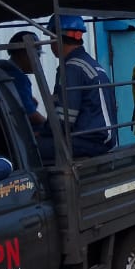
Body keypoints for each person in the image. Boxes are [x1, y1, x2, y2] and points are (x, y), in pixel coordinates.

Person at [36, 14, 118, 160]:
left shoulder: (71, 68)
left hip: (89, 141)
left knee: (30, 149)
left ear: (56, 38)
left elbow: (64, 119)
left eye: (50, 39)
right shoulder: (89, 63)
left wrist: (41, 132)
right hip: (104, 138)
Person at [0, 30, 46, 127]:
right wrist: (49, 126)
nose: (37, 60)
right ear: (22, 54)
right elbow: (31, 115)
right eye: (36, 55)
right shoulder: (18, 79)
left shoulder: (0, 66)